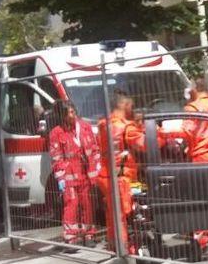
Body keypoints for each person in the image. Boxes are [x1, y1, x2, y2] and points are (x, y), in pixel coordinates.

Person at [96, 91, 145, 254]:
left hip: (106, 176)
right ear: (123, 105)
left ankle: (114, 246)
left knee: (112, 214)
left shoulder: (103, 125)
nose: (132, 108)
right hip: (122, 178)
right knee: (123, 216)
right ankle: (125, 250)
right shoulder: (126, 127)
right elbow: (144, 144)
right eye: (130, 105)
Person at [48, 100, 101, 245]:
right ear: (62, 116)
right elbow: (56, 157)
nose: (73, 115)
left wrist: (96, 170)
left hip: (86, 173)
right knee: (71, 204)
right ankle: (70, 237)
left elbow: (94, 149)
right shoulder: (56, 133)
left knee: (87, 203)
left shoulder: (85, 127)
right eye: (69, 113)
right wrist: (61, 178)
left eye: (73, 111)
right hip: (69, 174)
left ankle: (89, 234)